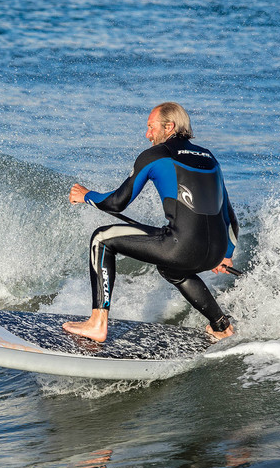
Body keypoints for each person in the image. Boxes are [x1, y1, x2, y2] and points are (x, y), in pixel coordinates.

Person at [65, 103, 238, 343]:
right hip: (214, 251)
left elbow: (117, 203)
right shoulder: (210, 158)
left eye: (151, 127)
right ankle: (221, 325)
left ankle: (97, 323)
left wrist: (87, 195)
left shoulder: (155, 155)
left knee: (101, 239)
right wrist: (225, 254)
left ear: (169, 127)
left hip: (181, 246)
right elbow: (229, 216)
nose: (148, 135)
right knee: (172, 269)